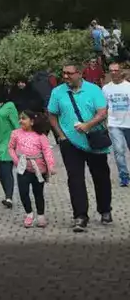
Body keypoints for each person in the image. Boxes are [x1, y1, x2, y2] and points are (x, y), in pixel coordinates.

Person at [47, 62, 112, 232]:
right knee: (75, 179)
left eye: (69, 73)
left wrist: (88, 125)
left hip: (93, 140)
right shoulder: (57, 92)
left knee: (101, 176)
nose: (66, 77)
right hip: (70, 143)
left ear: (80, 74)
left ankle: (105, 209)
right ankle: (80, 216)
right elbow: (52, 114)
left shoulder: (94, 90)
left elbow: (102, 112)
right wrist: (61, 136)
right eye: (64, 73)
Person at [8, 111, 56, 228]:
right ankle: (29, 214)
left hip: (39, 169)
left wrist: (50, 166)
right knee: (23, 192)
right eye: (19, 118)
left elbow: (47, 151)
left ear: (32, 121)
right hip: (23, 168)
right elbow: (11, 148)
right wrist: (17, 161)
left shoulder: (41, 136)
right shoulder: (15, 133)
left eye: (24, 118)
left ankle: (40, 215)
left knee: (38, 192)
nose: (20, 121)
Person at [103, 61, 130, 188]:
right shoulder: (106, 88)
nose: (113, 73)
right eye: (111, 70)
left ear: (120, 71)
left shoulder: (128, 87)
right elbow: (103, 107)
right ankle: (124, 176)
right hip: (114, 124)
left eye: (115, 70)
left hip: (129, 123)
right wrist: (103, 122)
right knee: (119, 151)